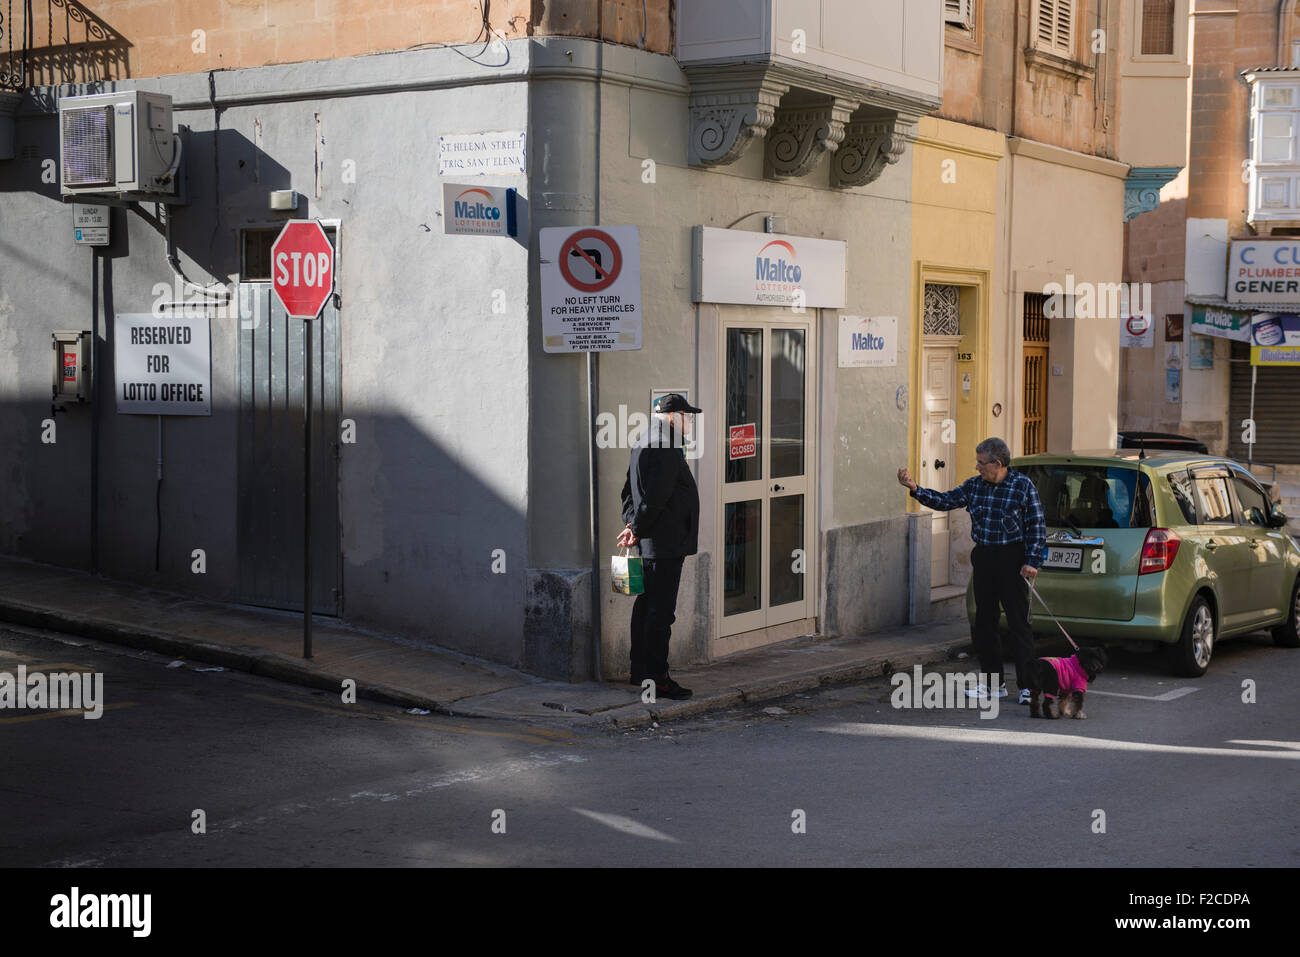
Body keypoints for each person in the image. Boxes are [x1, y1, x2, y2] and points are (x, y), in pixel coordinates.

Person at [897, 437, 1046, 704]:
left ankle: (1028, 686)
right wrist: (916, 488)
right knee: (984, 624)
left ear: (997, 463)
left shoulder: (1022, 486)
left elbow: (1036, 524)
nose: (977, 467)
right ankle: (993, 685)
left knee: (1018, 624)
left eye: (981, 463)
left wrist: (1032, 561)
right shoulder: (975, 486)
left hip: (1013, 558)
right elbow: (946, 500)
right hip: (985, 557)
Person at [616, 393, 701, 701]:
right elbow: (656, 497)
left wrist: (631, 525)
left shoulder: (644, 439)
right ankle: (658, 678)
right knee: (660, 612)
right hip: (664, 542)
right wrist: (636, 528)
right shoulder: (665, 445)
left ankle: (639, 670)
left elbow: (629, 491)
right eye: (687, 416)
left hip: (652, 539)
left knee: (646, 605)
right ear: (673, 416)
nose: (690, 421)